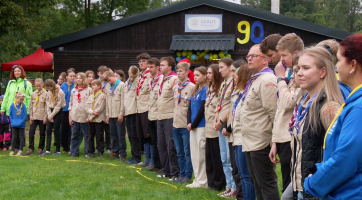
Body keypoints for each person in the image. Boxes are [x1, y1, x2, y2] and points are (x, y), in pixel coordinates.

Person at [303, 34, 362, 200]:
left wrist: (313, 182)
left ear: (353, 65)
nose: (335, 67)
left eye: (338, 60)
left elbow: (346, 160)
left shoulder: (358, 108)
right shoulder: (355, 101)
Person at [281, 46, 343, 200]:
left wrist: (316, 181)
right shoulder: (304, 102)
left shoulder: (328, 107)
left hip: (316, 189)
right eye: (298, 68)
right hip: (299, 184)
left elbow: (341, 154)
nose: (299, 73)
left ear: (322, 72)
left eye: (306, 68)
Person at [239, 44, 279, 200]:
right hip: (250, 140)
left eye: (254, 56)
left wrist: (274, 142)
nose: (249, 58)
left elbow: (274, 113)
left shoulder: (267, 80)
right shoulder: (255, 79)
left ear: (265, 60)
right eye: (248, 56)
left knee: (266, 183)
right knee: (257, 183)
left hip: (262, 141)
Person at [270, 33, 304, 192]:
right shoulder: (289, 74)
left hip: (292, 137)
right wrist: (275, 141)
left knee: (292, 184)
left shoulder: (299, 76)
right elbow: (279, 111)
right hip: (282, 137)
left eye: (284, 55)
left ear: (296, 54)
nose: (281, 59)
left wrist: (280, 79)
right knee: (285, 183)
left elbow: (289, 102)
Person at [229, 63, 256, 200]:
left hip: (244, 138)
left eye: (236, 74)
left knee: (246, 176)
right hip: (237, 136)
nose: (234, 77)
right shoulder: (241, 93)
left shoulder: (246, 94)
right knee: (242, 174)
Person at [223, 60, 248, 199]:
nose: (232, 75)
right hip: (233, 133)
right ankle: (239, 194)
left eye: (234, 72)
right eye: (231, 71)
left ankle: (242, 195)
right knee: (235, 167)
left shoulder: (244, 91)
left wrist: (228, 127)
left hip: (239, 133)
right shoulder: (236, 89)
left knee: (241, 171)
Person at [214, 57, 236, 197]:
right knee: (223, 157)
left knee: (229, 157)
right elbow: (220, 102)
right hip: (220, 122)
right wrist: (216, 117)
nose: (220, 70)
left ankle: (234, 187)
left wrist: (221, 120)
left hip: (227, 123)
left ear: (229, 67)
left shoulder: (233, 83)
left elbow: (230, 105)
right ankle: (228, 185)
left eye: (222, 67)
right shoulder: (223, 84)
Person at [156, 56, 180, 179]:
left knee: (171, 146)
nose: (160, 67)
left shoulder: (174, 79)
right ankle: (166, 171)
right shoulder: (162, 79)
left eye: (163, 65)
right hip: (160, 116)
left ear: (170, 67)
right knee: (161, 145)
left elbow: (176, 99)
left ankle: (175, 173)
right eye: (160, 64)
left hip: (170, 116)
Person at [172, 62, 195, 183]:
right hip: (175, 123)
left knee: (187, 152)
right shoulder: (176, 87)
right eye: (177, 71)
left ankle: (187, 175)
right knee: (179, 152)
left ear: (187, 72)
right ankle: (181, 174)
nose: (178, 73)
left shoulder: (191, 86)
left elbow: (192, 106)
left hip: (185, 124)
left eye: (181, 71)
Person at [205, 64, 226, 191]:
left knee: (217, 157)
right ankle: (211, 182)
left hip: (215, 126)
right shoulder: (210, 88)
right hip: (208, 126)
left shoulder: (220, 89)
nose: (207, 75)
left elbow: (220, 108)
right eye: (206, 73)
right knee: (209, 157)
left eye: (209, 73)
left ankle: (219, 183)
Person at [1, 65, 32, 149]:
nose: (17, 72)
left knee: (21, 129)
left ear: (22, 72)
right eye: (15, 71)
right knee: (13, 128)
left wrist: (29, 110)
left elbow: (29, 97)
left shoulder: (27, 83)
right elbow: (6, 96)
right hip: (11, 109)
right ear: (13, 73)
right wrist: (3, 108)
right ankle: (13, 145)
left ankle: (20, 146)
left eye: (18, 71)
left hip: (22, 110)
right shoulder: (10, 83)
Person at [186, 66, 208, 187]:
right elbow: (189, 108)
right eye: (194, 75)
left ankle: (203, 181)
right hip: (193, 126)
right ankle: (197, 179)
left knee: (201, 154)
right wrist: (189, 122)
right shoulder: (195, 90)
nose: (195, 77)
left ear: (205, 76)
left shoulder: (205, 89)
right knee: (194, 153)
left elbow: (202, 109)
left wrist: (194, 124)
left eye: (198, 75)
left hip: (201, 125)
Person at [103, 71, 127, 161]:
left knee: (120, 135)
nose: (109, 82)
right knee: (113, 135)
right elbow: (108, 102)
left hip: (118, 114)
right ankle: (115, 152)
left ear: (113, 76)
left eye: (110, 80)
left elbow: (123, 101)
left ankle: (123, 153)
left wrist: (121, 114)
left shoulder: (122, 85)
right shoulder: (108, 86)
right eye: (108, 81)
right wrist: (107, 115)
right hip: (111, 114)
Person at [120, 66, 141, 164]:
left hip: (135, 111)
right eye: (130, 76)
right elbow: (123, 99)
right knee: (130, 136)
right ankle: (133, 155)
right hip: (127, 112)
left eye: (133, 77)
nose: (131, 79)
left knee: (135, 135)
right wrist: (122, 113)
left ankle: (137, 156)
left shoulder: (138, 82)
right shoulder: (126, 84)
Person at [135, 53, 153, 167]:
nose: (141, 63)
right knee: (143, 135)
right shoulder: (140, 76)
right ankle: (146, 159)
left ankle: (152, 160)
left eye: (144, 61)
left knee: (149, 134)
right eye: (140, 61)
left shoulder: (150, 75)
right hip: (139, 108)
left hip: (147, 108)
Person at [69, 73, 92, 157]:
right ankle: (74, 151)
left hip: (85, 116)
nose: (78, 80)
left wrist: (90, 115)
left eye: (80, 78)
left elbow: (91, 103)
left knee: (86, 135)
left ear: (84, 79)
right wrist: (70, 116)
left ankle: (88, 151)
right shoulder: (73, 90)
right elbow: (70, 104)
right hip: (75, 116)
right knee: (74, 135)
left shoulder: (88, 90)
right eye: (77, 78)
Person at [41, 79, 65, 156]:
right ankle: (47, 149)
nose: (48, 89)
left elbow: (58, 106)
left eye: (49, 88)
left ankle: (58, 150)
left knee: (56, 131)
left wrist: (51, 116)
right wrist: (49, 116)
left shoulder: (60, 92)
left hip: (57, 112)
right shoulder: (48, 92)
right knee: (48, 131)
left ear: (53, 86)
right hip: (50, 112)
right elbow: (47, 104)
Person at [146, 58, 163, 171]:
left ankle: (161, 164)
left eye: (151, 67)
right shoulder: (150, 79)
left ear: (158, 67)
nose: (149, 69)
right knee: (154, 140)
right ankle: (155, 164)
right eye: (149, 67)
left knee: (160, 141)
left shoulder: (161, 79)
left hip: (159, 114)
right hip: (151, 113)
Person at [85, 79, 106, 158]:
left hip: (99, 119)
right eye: (92, 85)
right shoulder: (91, 96)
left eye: (94, 85)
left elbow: (100, 108)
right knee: (90, 136)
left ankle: (100, 152)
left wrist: (93, 115)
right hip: (91, 119)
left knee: (99, 136)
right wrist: (91, 114)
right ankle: (91, 152)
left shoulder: (102, 96)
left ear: (99, 86)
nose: (92, 87)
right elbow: (87, 106)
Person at [26, 78, 47, 155]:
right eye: (36, 86)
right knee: (31, 132)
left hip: (42, 117)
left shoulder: (46, 94)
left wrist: (45, 118)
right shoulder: (33, 94)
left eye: (39, 86)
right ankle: (31, 148)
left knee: (42, 133)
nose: (38, 87)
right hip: (34, 117)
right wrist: (31, 116)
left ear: (42, 84)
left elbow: (46, 107)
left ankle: (40, 147)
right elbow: (31, 106)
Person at [60, 70, 76, 154]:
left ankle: (71, 147)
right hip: (64, 110)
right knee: (64, 129)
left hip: (73, 110)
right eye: (71, 76)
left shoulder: (76, 86)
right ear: (66, 77)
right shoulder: (63, 86)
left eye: (74, 76)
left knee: (72, 129)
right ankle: (65, 147)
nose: (72, 78)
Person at [98, 65, 112, 154]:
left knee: (108, 129)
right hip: (99, 108)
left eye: (104, 73)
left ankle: (109, 147)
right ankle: (100, 146)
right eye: (101, 73)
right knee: (99, 129)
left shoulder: (108, 83)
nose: (102, 75)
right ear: (98, 73)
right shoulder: (98, 82)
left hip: (107, 107)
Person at [8, 92, 27, 156]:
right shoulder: (12, 105)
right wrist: (12, 122)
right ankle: (12, 150)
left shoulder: (23, 106)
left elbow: (24, 116)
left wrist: (21, 122)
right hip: (14, 124)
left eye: (22, 100)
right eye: (20, 99)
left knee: (21, 137)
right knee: (14, 137)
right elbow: (10, 115)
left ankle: (20, 150)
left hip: (21, 125)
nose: (21, 101)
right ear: (16, 98)